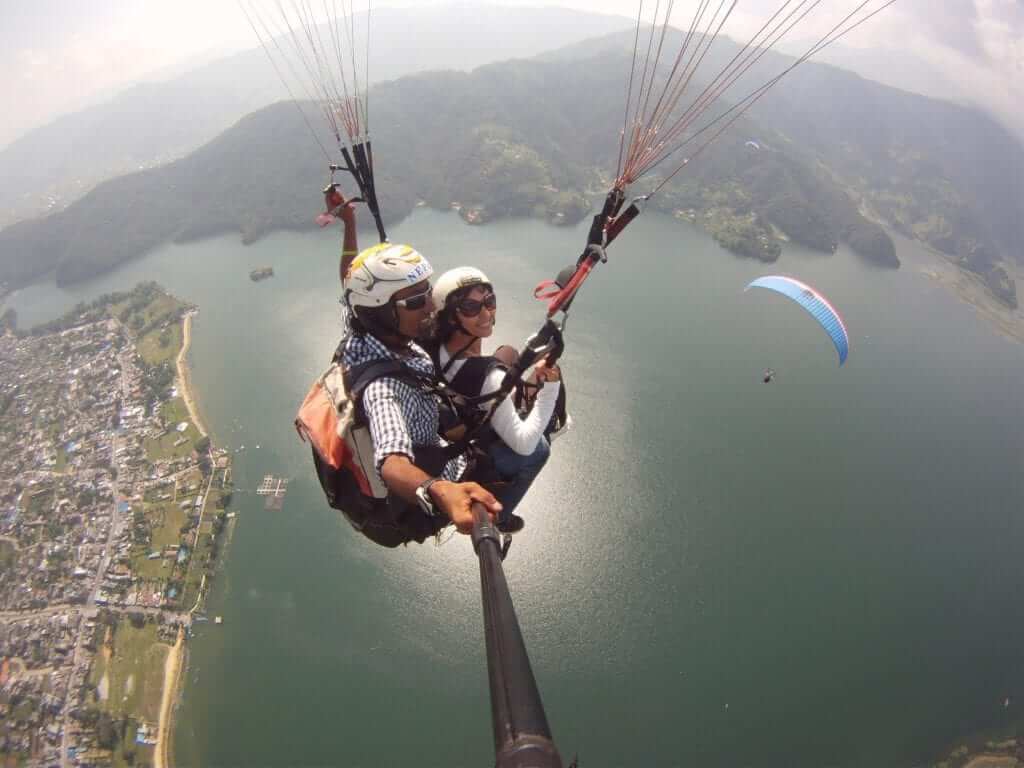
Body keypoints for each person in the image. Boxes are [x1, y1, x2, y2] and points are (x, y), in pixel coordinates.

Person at [334, 199, 502, 542]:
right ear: (379, 311)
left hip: (430, 416)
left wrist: (349, 222)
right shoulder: (383, 391)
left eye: (428, 291)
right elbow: (392, 461)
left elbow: (350, 280)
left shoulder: (360, 329)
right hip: (437, 470)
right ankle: (499, 517)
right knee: (520, 453)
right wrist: (441, 492)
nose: (430, 304)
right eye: (415, 300)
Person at [428, 267, 560, 534]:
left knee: (508, 352)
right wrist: (551, 387)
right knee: (539, 449)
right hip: (474, 449)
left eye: (490, 302)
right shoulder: (490, 378)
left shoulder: (431, 344)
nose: (487, 313)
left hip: (455, 405)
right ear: (451, 316)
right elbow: (523, 445)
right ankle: (500, 518)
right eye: (471, 307)